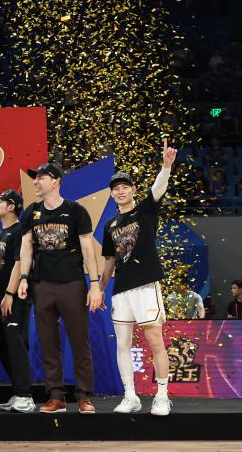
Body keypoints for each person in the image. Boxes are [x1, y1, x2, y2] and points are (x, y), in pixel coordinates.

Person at [16, 162, 105, 414]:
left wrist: (95, 285)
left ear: (55, 181)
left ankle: (84, 396)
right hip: (42, 284)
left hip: (72, 283)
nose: (35, 182)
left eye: (41, 177)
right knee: (47, 341)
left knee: (79, 340)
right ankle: (56, 395)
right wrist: (24, 277)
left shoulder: (76, 211)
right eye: (35, 178)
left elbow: (88, 249)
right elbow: (26, 247)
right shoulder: (31, 212)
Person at [102, 140, 177, 416]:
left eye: (124, 187)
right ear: (111, 194)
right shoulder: (110, 226)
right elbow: (109, 261)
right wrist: (99, 288)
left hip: (146, 283)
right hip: (121, 290)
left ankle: (161, 395)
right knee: (121, 343)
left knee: (154, 339)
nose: (120, 191)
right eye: (116, 188)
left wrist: (166, 167)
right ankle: (130, 395)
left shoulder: (145, 210)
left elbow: (158, 189)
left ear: (132, 189)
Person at [0, 190, 35, 413]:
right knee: (3, 346)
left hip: (16, 296)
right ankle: (18, 391)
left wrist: (9, 294)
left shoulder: (20, 231)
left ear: (12, 206)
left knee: (16, 343)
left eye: (1, 201)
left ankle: (26, 396)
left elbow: (20, 264)